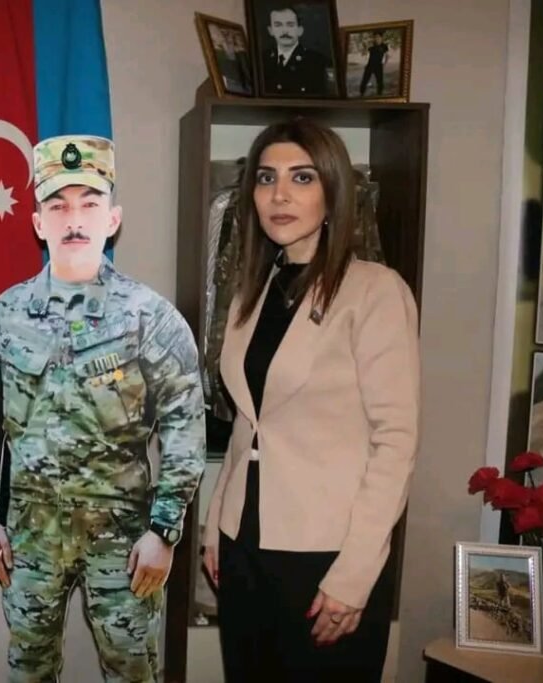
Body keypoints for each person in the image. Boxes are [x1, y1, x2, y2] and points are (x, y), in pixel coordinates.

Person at [0, 135, 207, 682]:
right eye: (57, 206)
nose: (74, 220)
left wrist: (164, 532)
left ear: (112, 219)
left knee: (132, 672)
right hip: (31, 537)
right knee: (28, 670)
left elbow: (185, 431)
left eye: (89, 204)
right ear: (38, 223)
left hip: (124, 540)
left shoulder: (151, 318)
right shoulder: (4, 317)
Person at [201, 118, 420, 682]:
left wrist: (355, 575)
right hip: (245, 547)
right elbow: (251, 421)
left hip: (327, 556)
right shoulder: (251, 291)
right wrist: (217, 523)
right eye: (266, 178)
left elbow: (395, 444)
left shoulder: (375, 291)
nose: (279, 195)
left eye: (301, 177)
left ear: (333, 191)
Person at [260, 5, 332, 96]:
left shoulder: (317, 61)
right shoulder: (262, 60)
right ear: (270, 31)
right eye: (278, 25)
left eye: (290, 25)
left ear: (300, 30)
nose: (285, 31)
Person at [359, 31, 389, 96]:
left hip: (378, 66)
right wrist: (365, 46)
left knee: (380, 81)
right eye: (375, 37)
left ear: (381, 38)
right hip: (370, 65)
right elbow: (365, 53)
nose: (376, 38)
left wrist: (384, 64)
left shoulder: (384, 46)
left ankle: (379, 94)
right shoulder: (371, 45)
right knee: (365, 79)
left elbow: (387, 55)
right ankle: (361, 93)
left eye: (378, 37)